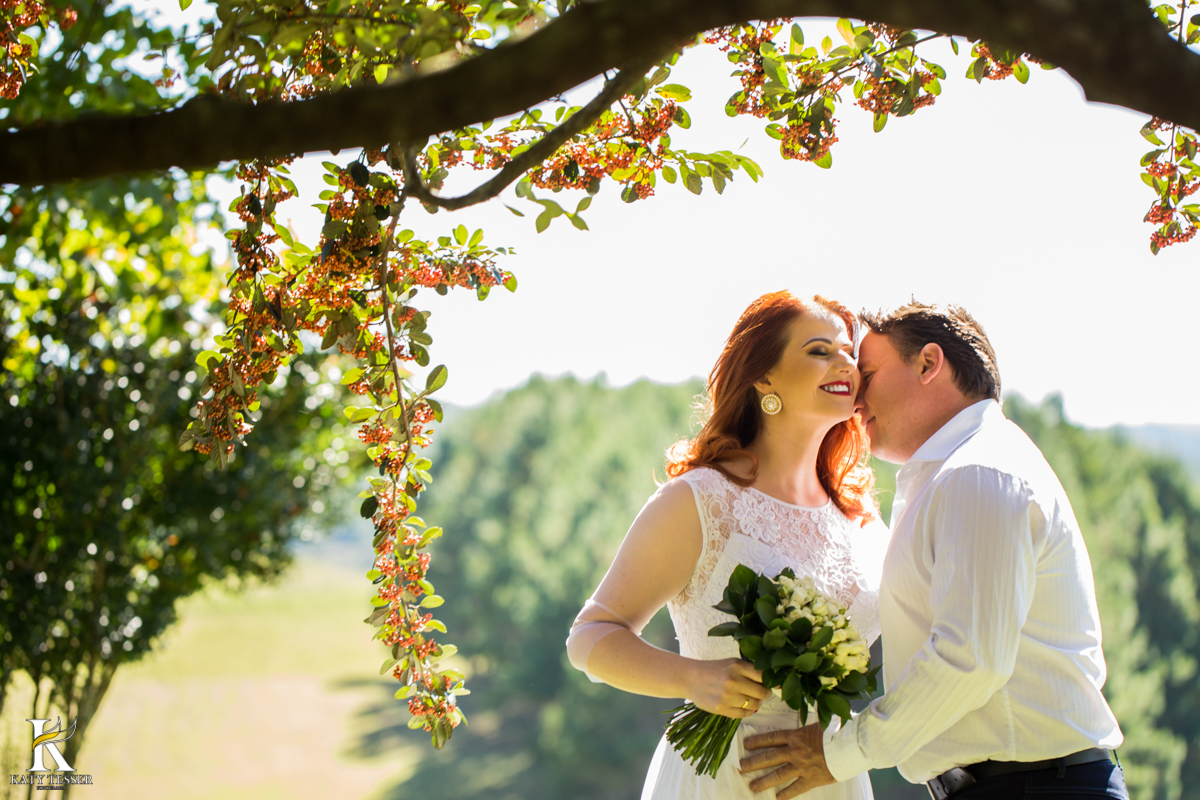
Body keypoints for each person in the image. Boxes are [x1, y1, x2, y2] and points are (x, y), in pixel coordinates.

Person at [738, 302, 1127, 800]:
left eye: (870, 374)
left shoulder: (979, 474)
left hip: (1034, 788)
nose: (856, 400)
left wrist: (837, 755)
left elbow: (970, 659)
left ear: (928, 364)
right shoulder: (960, 474)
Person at [565, 290, 890, 800]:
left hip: (833, 774)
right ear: (764, 377)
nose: (845, 362)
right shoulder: (701, 501)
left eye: (849, 350)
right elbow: (589, 638)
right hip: (725, 775)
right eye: (819, 350)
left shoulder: (864, 520)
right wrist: (692, 678)